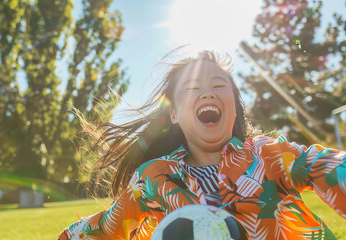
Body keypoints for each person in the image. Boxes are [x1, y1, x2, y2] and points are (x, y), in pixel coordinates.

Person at [58, 50, 346, 240]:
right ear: (173, 114)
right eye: (193, 89)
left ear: (234, 109)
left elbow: (328, 167)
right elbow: (106, 228)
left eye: (219, 86)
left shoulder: (270, 155)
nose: (208, 92)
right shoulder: (153, 178)